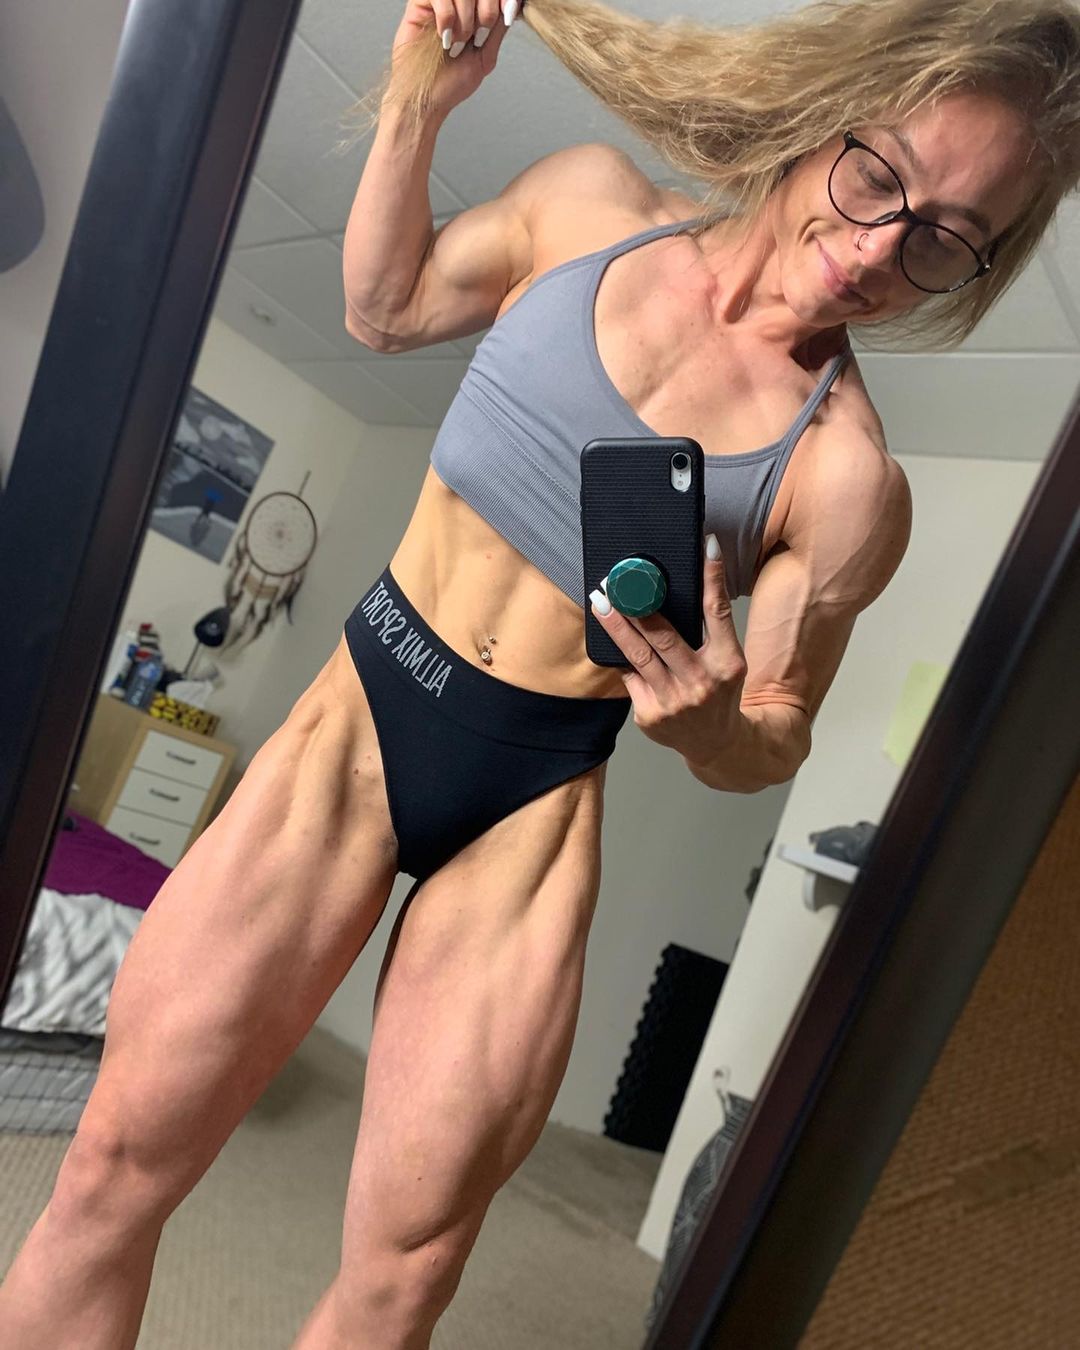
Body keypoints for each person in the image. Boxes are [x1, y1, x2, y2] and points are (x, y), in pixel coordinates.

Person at [2, 1, 1077, 1347]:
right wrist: (417, 106)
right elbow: (382, 310)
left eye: (944, 240)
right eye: (881, 178)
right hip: (363, 719)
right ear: (822, 118)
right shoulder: (588, 211)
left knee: (406, 1276)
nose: (877, 251)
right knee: (114, 1166)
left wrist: (709, 727)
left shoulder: (845, 475)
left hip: (533, 799)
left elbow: (778, 732)